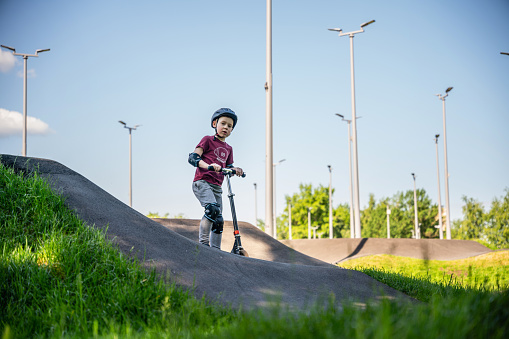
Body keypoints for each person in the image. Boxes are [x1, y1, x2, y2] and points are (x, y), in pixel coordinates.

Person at [188, 108, 244, 249]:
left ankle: (216, 251)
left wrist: (235, 170)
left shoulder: (229, 148)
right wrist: (208, 166)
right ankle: (204, 245)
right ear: (215, 124)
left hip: (217, 187)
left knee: (218, 220)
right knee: (212, 210)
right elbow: (193, 157)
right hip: (202, 182)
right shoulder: (207, 140)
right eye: (223, 123)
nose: (226, 127)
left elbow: (229, 168)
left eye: (230, 126)